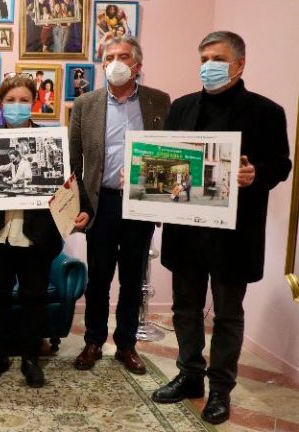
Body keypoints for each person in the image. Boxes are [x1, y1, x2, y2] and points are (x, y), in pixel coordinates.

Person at [151, 31, 291, 425]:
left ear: (239, 63)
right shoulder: (180, 107)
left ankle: (220, 390)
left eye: (216, 57)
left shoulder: (267, 111)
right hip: (186, 231)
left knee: (228, 315)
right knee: (185, 309)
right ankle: (190, 375)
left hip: (235, 235)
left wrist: (255, 174)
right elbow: (163, 161)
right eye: (203, 58)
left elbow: (281, 165)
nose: (207, 65)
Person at [0, 74, 91, 387]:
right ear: (0, 104)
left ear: (34, 102)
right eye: (10, 100)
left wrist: (83, 211)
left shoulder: (51, 141)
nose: (17, 106)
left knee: (34, 298)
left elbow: (71, 183)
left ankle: (31, 357)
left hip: (36, 235)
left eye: (23, 100)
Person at [69, 36, 170, 376]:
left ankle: (126, 345)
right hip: (102, 202)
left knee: (133, 276)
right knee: (98, 277)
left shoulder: (159, 102)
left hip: (141, 202)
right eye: (109, 57)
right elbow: (73, 162)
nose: (116, 62)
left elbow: (171, 153)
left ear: (137, 64)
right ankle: (94, 341)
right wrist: (82, 206)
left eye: (123, 56)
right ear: (101, 65)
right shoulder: (85, 103)